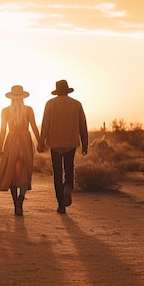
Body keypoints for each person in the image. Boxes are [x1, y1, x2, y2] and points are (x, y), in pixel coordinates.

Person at [37, 80, 88, 214]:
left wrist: (41, 142)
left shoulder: (50, 104)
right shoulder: (76, 104)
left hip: (55, 143)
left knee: (57, 173)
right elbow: (83, 125)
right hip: (71, 142)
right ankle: (68, 186)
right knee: (69, 167)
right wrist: (85, 144)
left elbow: (45, 124)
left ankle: (61, 205)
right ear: (67, 90)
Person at [0, 85, 40, 216]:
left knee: (11, 171)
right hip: (25, 139)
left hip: (11, 140)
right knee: (25, 170)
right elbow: (34, 127)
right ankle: (21, 199)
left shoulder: (5, 111)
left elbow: (3, 130)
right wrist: (40, 142)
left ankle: (15, 203)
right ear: (23, 97)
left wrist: (0, 147)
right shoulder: (29, 109)